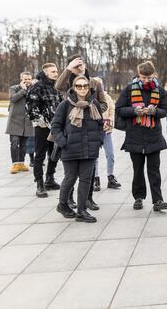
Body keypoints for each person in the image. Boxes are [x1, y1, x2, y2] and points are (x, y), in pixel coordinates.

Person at [115, 60, 167, 212]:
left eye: (149, 77)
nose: (146, 80)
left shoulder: (160, 91)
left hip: (154, 136)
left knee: (154, 170)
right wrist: (135, 111)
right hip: (134, 136)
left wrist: (154, 112)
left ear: (154, 75)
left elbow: (165, 110)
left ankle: (158, 200)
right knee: (137, 169)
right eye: (143, 78)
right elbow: (119, 109)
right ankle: (138, 197)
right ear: (138, 75)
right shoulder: (128, 90)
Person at [51, 75, 104, 223]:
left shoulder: (94, 104)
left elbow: (100, 124)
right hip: (70, 149)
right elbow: (55, 126)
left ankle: (81, 211)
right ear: (74, 87)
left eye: (85, 86)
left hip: (90, 149)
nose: (82, 89)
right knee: (70, 178)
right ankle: (62, 204)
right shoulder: (65, 105)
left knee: (86, 180)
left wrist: (99, 140)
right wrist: (63, 142)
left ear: (89, 88)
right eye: (79, 86)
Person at [55, 55, 108, 195]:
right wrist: (68, 69)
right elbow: (58, 86)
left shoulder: (94, 83)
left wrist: (91, 110)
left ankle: (88, 199)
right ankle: (70, 199)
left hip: (90, 129)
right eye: (76, 65)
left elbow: (103, 103)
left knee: (89, 172)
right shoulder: (68, 82)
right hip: (71, 129)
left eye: (81, 64)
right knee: (71, 174)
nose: (80, 67)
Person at [26, 63, 63, 197]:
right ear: (46, 72)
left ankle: (50, 179)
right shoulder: (37, 86)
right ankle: (39, 184)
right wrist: (40, 123)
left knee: (54, 153)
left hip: (56, 127)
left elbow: (61, 104)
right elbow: (31, 107)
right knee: (40, 156)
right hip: (42, 128)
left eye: (56, 71)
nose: (56, 73)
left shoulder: (56, 87)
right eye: (53, 71)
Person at [94, 77, 121, 189]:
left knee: (110, 155)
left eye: (101, 84)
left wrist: (109, 121)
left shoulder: (107, 97)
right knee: (94, 157)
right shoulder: (90, 98)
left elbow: (112, 111)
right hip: (94, 132)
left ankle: (110, 177)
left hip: (106, 131)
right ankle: (95, 179)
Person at [6, 72, 34, 174]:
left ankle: (21, 163)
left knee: (24, 145)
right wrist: (23, 90)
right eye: (25, 79)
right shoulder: (14, 88)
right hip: (15, 120)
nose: (27, 81)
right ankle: (15, 164)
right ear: (21, 79)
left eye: (29, 79)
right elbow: (13, 99)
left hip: (27, 121)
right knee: (14, 143)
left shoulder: (34, 90)